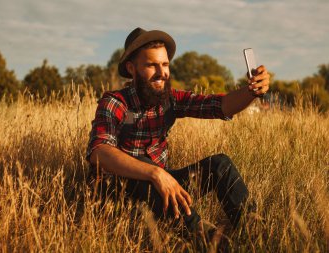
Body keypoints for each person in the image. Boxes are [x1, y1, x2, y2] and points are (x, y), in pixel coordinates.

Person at [86, 27, 270, 244]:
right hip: (120, 194)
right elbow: (99, 152)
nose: (161, 72)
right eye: (151, 65)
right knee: (141, 165)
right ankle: (212, 243)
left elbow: (220, 106)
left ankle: (256, 238)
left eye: (164, 64)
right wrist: (154, 173)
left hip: (161, 187)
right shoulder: (115, 102)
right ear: (131, 68)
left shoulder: (170, 99)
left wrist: (252, 92)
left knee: (220, 165)